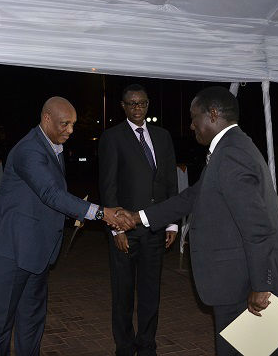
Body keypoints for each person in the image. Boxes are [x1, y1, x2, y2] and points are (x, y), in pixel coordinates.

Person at [113, 86, 278, 356]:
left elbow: (258, 229)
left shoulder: (232, 155)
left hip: (252, 285)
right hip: (239, 279)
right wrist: (138, 217)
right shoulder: (229, 148)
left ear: (212, 114)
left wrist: (262, 286)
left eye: (193, 117)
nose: (191, 125)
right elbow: (191, 197)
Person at [0, 96, 127, 355]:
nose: (70, 130)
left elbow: (46, 198)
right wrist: (101, 212)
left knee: (31, 321)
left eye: (73, 124)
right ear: (46, 119)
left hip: (36, 250)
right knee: (0, 324)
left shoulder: (52, 146)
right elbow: (50, 193)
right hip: (10, 250)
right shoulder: (29, 150)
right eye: (65, 124)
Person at [98, 84, 178, 356]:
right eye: (132, 104)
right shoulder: (112, 137)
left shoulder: (163, 136)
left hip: (155, 227)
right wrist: (114, 230)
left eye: (142, 103)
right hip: (125, 229)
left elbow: (169, 181)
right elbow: (107, 186)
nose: (137, 108)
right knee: (123, 293)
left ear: (147, 105)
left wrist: (171, 222)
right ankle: (123, 345)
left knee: (150, 292)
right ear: (123, 106)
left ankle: (146, 344)